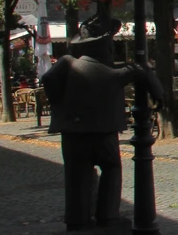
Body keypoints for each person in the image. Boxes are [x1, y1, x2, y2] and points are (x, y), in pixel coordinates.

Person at [40, 15, 163, 231]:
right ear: (105, 47)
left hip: (72, 132)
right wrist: (158, 94)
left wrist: (61, 103)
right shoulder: (113, 73)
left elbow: (48, 79)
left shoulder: (67, 63)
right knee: (111, 168)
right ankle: (108, 216)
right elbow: (140, 71)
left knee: (76, 175)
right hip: (103, 132)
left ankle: (77, 219)